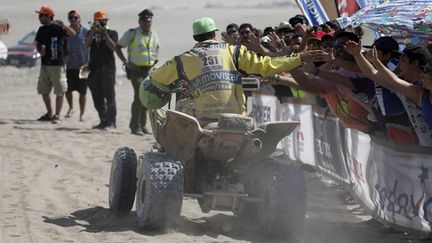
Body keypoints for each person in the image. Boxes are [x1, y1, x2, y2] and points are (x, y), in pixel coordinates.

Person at [138, 17, 326, 145]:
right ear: (214, 34)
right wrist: (299, 58)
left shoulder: (180, 61)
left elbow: (152, 81)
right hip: (236, 122)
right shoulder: (234, 52)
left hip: (197, 122)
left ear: (195, 37)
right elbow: (267, 65)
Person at [115, 9, 159, 135]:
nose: (147, 24)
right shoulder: (132, 33)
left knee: (147, 98)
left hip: (149, 71)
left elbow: (156, 47)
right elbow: (117, 47)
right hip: (136, 71)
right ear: (139, 21)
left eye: (149, 22)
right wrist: (126, 62)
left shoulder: (153, 34)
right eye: (144, 21)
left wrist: (155, 61)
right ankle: (135, 127)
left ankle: (143, 125)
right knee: (139, 97)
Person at [35, 5, 76, 124]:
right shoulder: (41, 29)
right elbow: (38, 43)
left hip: (57, 64)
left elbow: (73, 34)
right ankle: (49, 113)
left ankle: (57, 115)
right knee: (44, 90)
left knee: (59, 91)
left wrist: (64, 26)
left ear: (48, 16)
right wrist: (39, 50)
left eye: (41, 15)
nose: (39, 17)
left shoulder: (58, 28)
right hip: (45, 65)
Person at [85, 10, 118, 130]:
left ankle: (111, 122)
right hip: (94, 71)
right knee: (97, 98)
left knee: (110, 97)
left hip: (108, 70)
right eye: (97, 21)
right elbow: (86, 44)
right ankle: (103, 120)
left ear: (106, 21)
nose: (99, 24)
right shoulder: (91, 33)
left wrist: (105, 34)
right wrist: (93, 32)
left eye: (101, 21)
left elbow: (113, 47)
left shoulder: (112, 33)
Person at [64, 10, 89, 122]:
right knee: (67, 90)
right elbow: (62, 47)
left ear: (79, 18)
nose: (73, 20)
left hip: (83, 67)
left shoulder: (86, 32)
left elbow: (91, 47)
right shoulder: (66, 32)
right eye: (71, 18)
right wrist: (67, 54)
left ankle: (82, 114)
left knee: (82, 92)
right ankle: (71, 108)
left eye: (75, 17)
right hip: (70, 66)